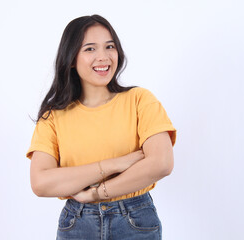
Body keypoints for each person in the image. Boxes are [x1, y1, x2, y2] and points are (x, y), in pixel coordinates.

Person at [26, 14, 176, 240]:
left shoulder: (140, 100)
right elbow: (41, 183)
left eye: (109, 46)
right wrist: (115, 164)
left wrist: (97, 192)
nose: (103, 57)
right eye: (90, 49)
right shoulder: (53, 116)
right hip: (77, 223)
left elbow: (161, 163)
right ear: (72, 58)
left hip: (135, 221)